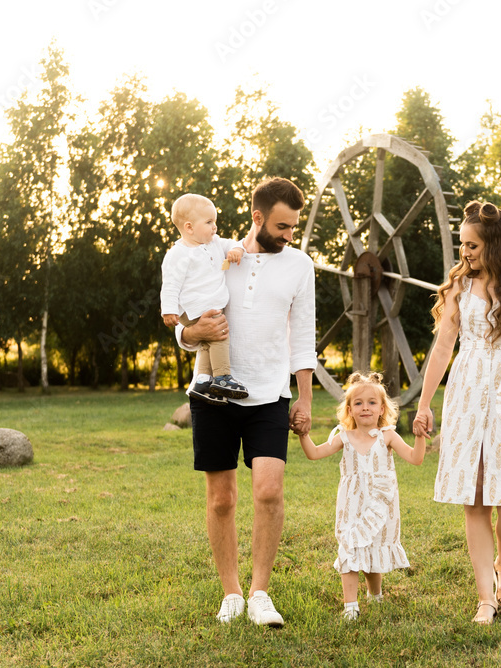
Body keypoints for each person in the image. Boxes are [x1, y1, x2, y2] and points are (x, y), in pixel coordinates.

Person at [175, 177, 316, 627]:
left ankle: (259, 593)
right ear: (257, 217)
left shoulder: (301, 266)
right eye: (282, 226)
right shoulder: (216, 255)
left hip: (270, 394)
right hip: (213, 395)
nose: (289, 235)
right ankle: (231, 593)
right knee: (221, 499)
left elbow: (304, 338)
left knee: (269, 491)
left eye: (293, 227)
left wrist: (305, 398)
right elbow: (183, 313)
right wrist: (188, 334)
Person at [412, 201, 501, 625]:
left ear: (494, 244)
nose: (465, 253)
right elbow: (442, 347)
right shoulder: (460, 286)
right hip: (468, 390)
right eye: (462, 245)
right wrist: (424, 403)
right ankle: (485, 598)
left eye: (472, 245)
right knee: (474, 499)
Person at [295, 372, 426, 621]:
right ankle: (350, 606)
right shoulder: (344, 437)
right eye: (358, 403)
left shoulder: (388, 436)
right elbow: (313, 453)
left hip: (380, 503)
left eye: (371, 402)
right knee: (351, 547)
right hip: (351, 505)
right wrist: (303, 433)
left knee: (372, 547)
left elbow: (415, 459)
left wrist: (419, 436)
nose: (365, 407)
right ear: (349, 409)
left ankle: (375, 595)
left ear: (382, 408)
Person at [160, 193, 249, 404]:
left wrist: (237, 249)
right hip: (193, 309)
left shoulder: (215, 243)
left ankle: (202, 381)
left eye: (215, 222)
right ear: (189, 227)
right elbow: (170, 284)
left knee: (207, 344)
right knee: (219, 334)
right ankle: (222, 377)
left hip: (205, 306)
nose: (214, 227)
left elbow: (233, 243)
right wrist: (169, 310)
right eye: (209, 222)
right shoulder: (178, 254)